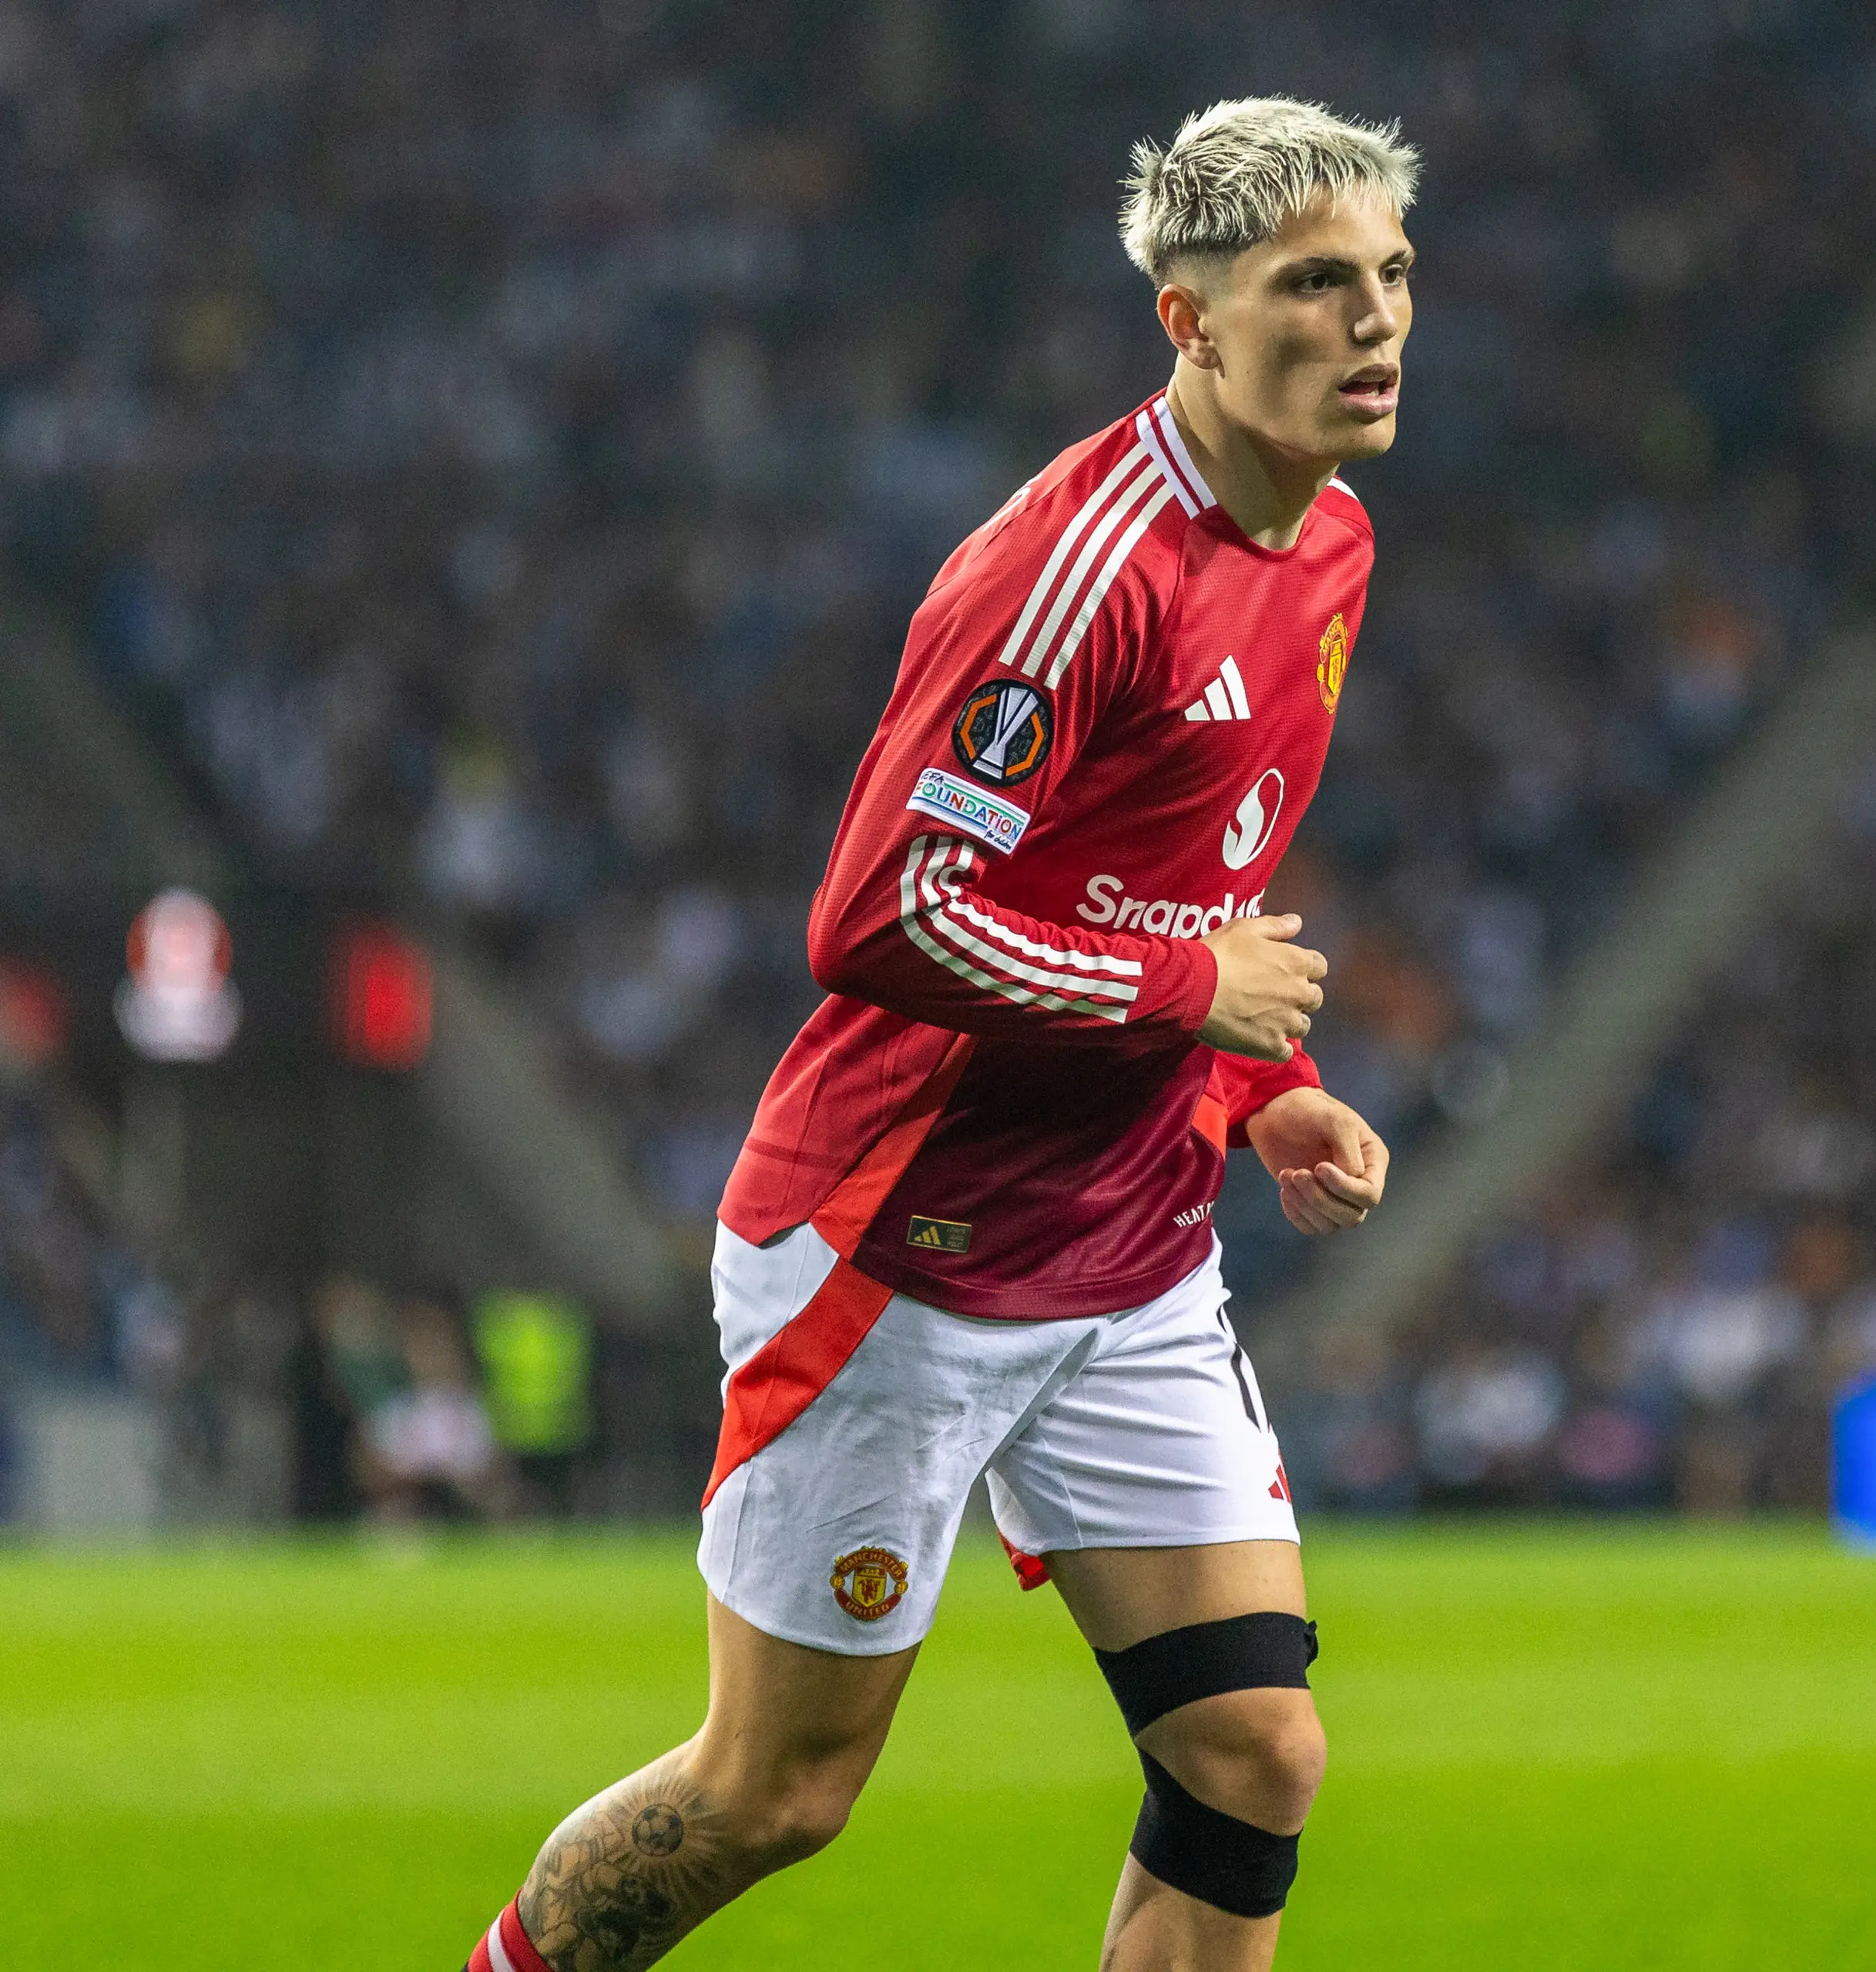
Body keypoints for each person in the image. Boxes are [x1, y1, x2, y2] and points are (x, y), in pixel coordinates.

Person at [464, 97, 1413, 1971]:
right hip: (900, 1246)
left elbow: (1181, 877)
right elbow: (879, 915)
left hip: (1127, 1243)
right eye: (1313, 283)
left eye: (1390, 274)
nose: (1371, 319)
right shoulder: (1075, 571)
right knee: (774, 1790)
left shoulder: (1330, 545)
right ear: (1189, 321)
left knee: (1254, 1746)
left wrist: (1261, 1084)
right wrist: (1182, 1000)